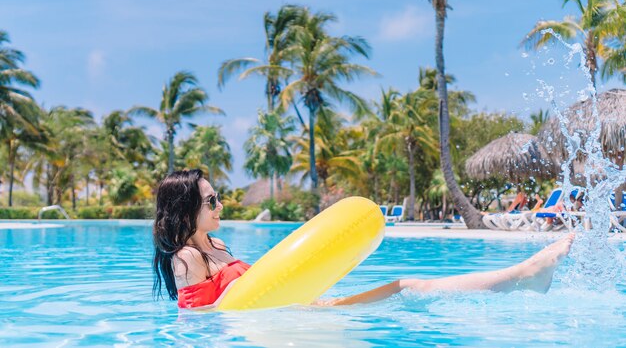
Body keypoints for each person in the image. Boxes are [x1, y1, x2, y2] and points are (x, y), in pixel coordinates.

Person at [153, 169, 575, 309]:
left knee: (410, 288)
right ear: (186, 209)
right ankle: (524, 275)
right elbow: (197, 326)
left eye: (218, 197)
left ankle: (524, 275)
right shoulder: (186, 258)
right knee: (409, 287)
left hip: (305, 309)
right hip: (298, 317)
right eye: (212, 200)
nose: (220, 205)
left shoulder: (219, 248)